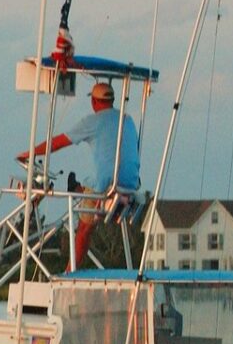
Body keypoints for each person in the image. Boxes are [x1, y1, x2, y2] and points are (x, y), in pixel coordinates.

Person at [15, 80, 141, 268]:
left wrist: (30, 153)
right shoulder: (128, 119)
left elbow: (59, 142)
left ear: (95, 102)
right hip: (131, 184)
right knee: (88, 189)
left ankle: (69, 272)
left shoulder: (93, 121)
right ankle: (77, 188)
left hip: (106, 187)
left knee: (84, 228)